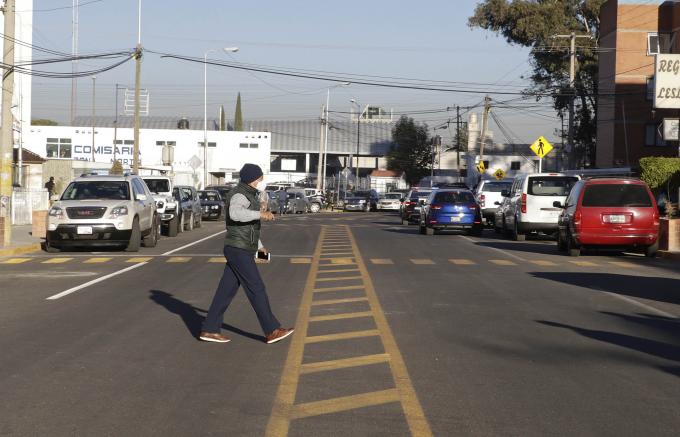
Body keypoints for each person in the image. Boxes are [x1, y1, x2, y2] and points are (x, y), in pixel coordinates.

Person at [200, 163, 294, 344]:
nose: (261, 182)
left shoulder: (249, 194)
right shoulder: (239, 194)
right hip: (238, 249)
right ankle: (272, 330)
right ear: (252, 179)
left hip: (242, 247)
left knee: (225, 291)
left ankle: (209, 329)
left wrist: (260, 248)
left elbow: (249, 228)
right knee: (256, 288)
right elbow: (236, 214)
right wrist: (260, 214)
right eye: (259, 179)